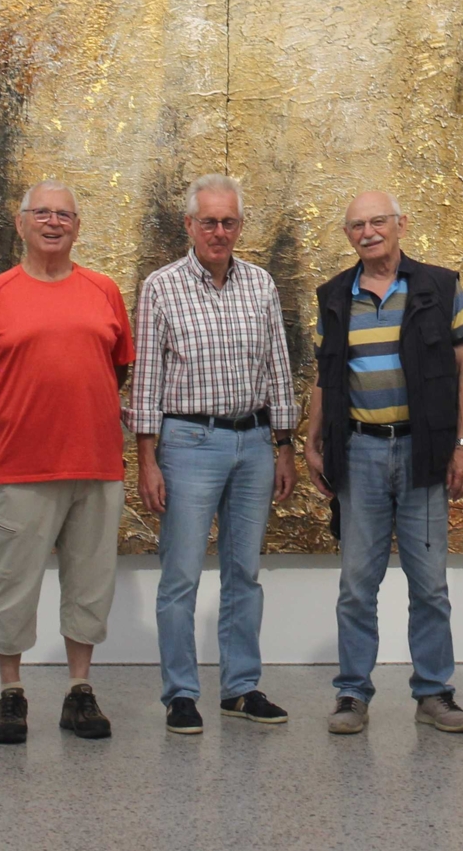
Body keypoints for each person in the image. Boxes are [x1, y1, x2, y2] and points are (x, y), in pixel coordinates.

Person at [0, 181, 135, 746]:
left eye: (64, 214)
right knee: (11, 587)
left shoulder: (103, 290)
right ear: (21, 222)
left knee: (90, 585)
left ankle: (79, 690)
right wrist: (13, 417)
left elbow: (119, 367)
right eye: (42, 213)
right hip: (20, 468)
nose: (54, 222)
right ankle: (11, 694)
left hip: (96, 465)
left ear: (77, 226)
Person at [304, 190, 463, 735]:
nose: (368, 232)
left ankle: (434, 692)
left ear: (400, 223)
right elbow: (322, 375)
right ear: (348, 235)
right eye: (357, 225)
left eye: (378, 221)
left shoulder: (440, 286)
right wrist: (312, 439)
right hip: (359, 453)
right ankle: (352, 693)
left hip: (423, 453)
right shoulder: (334, 296)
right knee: (357, 583)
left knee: (429, 584)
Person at [133, 174, 299, 735]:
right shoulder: (161, 287)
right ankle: (181, 693)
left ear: (240, 226)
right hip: (188, 444)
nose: (219, 232)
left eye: (228, 222)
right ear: (189, 225)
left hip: (254, 443)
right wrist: (147, 459)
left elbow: (278, 368)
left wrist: (284, 445)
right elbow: (147, 381)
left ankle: (241, 688)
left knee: (243, 574)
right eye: (209, 222)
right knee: (180, 575)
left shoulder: (261, 285)